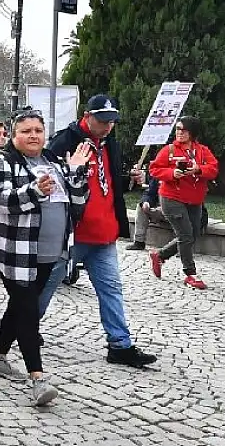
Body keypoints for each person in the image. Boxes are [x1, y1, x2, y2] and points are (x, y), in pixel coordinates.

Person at [38, 95, 157, 368]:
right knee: (47, 285)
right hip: (71, 234)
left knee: (111, 288)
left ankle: (120, 344)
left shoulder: (109, 142)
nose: (107, 126)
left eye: (112, 121)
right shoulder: (63, 142)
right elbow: (50, 187)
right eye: (102, 121)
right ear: (87, 115)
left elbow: (110, 183)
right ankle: (25, 327)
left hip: (103, 234)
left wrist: (131, 180)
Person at [0, 109, 91, 406]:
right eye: (26, 131)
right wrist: (34, 189)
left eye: (38, 131)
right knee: (29, 311)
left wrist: (79, 172)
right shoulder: (1, 162)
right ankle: (38, 380)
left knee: (19, 307)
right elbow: (2, 200)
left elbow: (79, 202)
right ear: (14, 136)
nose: (33, 136)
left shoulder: (54, 162)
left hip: (51, 254)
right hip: (16, 254)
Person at [148, 116, 218, 289]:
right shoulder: (169, 150)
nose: (179, 132)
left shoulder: (202, 151)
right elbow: (154, 169)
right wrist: (172, 174)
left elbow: (214, 168)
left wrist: (199, 169)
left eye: (183, 130)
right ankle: (190, 274)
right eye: (178, 129)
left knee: (192, 234)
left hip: (195, 199)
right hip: (172, 198)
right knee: (186, 235)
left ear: (192, 133)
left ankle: (160, 255)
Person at [129, 174, 163, 251]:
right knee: (141, 207)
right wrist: (145, 202)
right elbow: (150, 192)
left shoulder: (180, 173)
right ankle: (139, 242)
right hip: (159, 209)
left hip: (175, 210)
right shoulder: (157, 173)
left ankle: (180, 247)